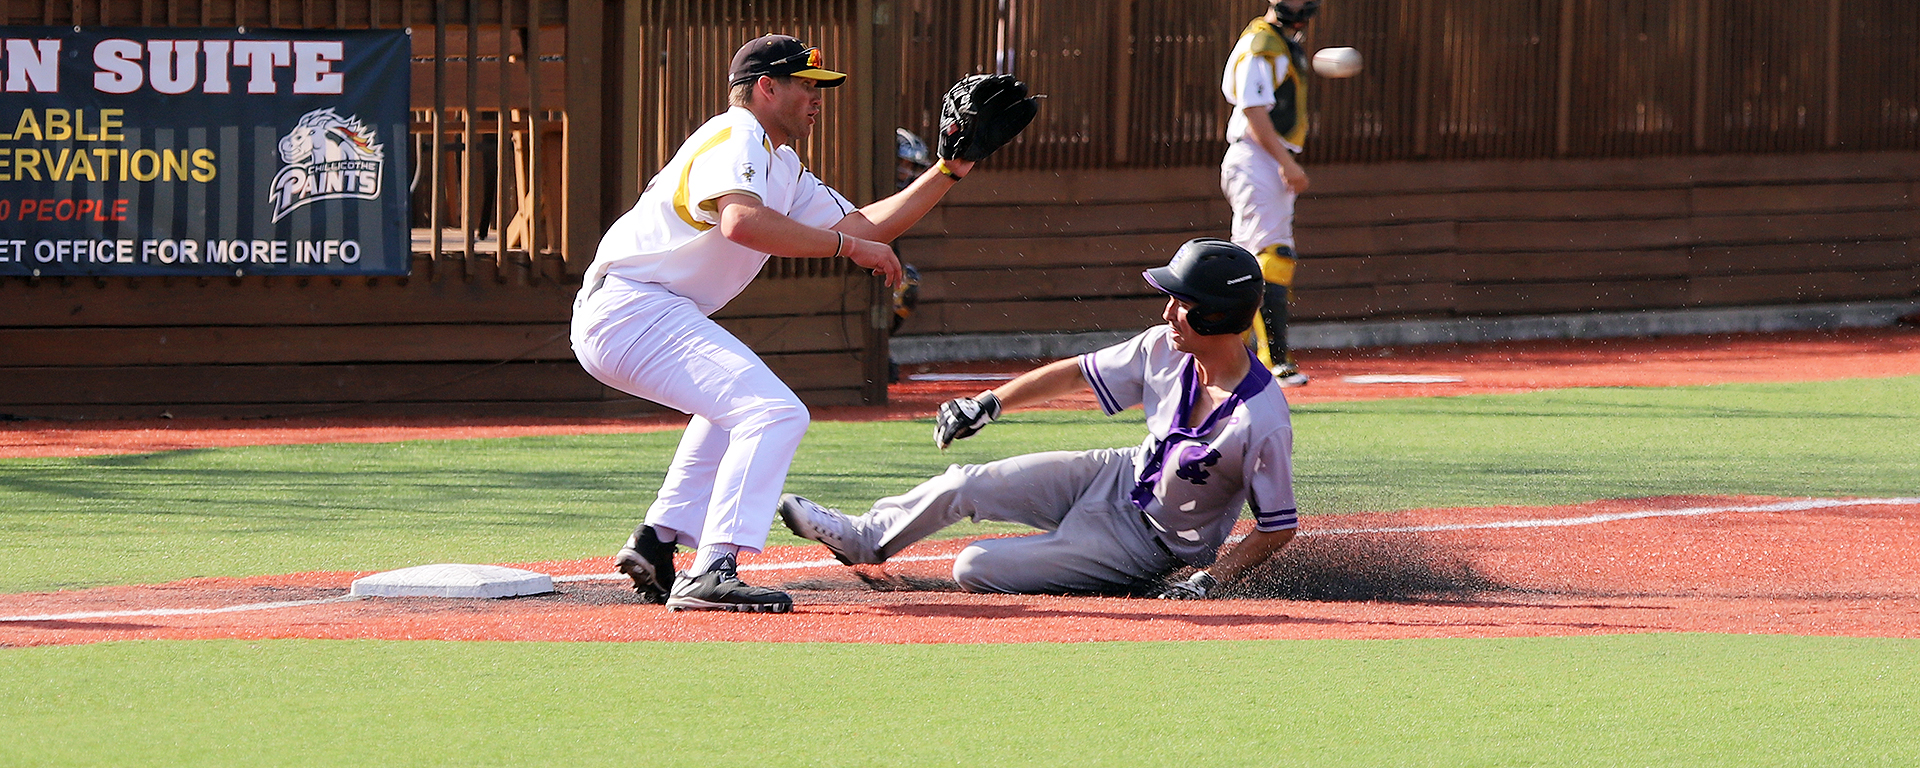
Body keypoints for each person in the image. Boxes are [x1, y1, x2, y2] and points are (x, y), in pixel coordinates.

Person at [573, 35, 1027, 612]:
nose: (818, 99)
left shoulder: (780, 162)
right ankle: (713, 569)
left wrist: (948, 169)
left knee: (736, 409)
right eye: (807, 86)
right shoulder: (737, 134)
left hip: (646, 310)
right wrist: (844, 248)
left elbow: (867, 228)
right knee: (774, 411)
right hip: (631, 308)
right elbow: (742, 223)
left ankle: (658, 544)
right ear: (766, 88)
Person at [778, 239, 1300, 598]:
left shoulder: (1261, 419)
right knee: (967, 482)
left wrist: (1212, 576)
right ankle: (865, 536)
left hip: (1149, 543)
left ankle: (1118, 582)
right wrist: (990, 402)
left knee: (974, 567)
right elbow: (1075, 374)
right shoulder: (1164, 347)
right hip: (1114, 474)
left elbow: (1277, 527)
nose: (1166, 312)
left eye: (1181, 302)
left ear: (1217, 316)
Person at [1221, 0, 1323, 387]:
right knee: (1272, 256)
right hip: (1257, 156)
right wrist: (1286, 162)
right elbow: (1253, 110)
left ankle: (1236, 357)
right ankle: (1272, 360)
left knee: (1250, 260)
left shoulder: (1283, 45)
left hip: (1265, 158)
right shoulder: (1260, 43)